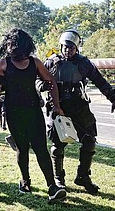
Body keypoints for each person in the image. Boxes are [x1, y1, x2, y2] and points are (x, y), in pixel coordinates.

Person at [0, 28, 67, 203]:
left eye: (14, 45)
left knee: (41, 148)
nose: (11, 48)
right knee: (22, 148)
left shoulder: (35, 62)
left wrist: (57, 105)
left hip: (33, 111)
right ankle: (25, 180)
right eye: (9, 45)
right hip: (13, 113)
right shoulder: (2, 64)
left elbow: (51, 81)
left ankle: (52, 187)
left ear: (24, 46)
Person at [36, 29, 115, 195]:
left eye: (71, 47)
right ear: (61, 46)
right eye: (65, 46)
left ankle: (83, 176)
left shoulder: (84, 63)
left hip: (79, 105)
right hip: (57, 106)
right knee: (57, 145)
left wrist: (113, 97)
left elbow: (100, 82)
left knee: (89, 140)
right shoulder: (51, 62)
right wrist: (41, 86)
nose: (67, 50)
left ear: (76, 48)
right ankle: (59, 179)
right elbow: (37, 78)